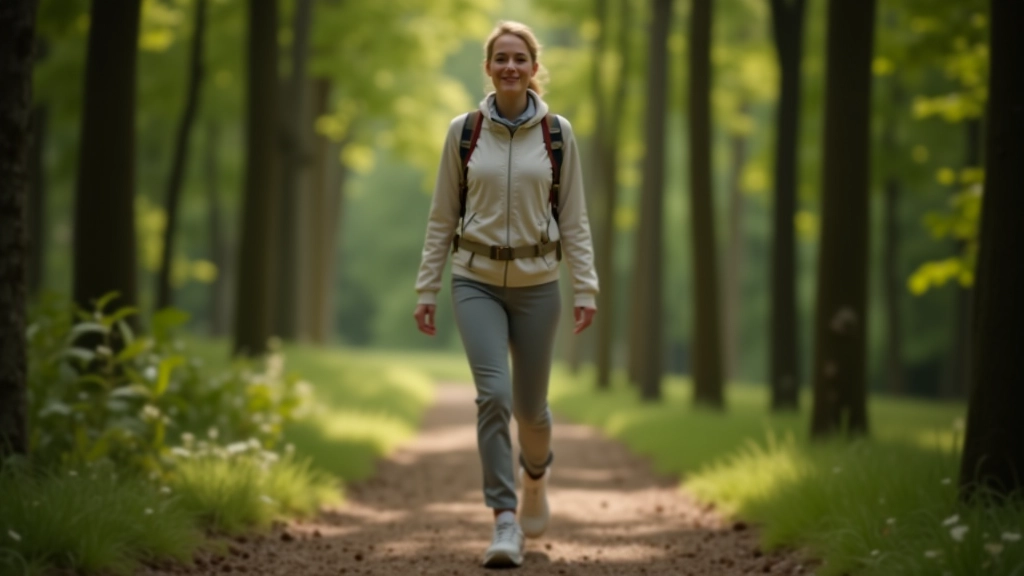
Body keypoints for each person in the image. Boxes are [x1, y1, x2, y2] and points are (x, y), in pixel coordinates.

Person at [412, 20, 599, 569]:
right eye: (501, 58)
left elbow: (576, 220)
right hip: (475, 280)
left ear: (534, 68)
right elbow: (441, 216)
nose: (511, 67)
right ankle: (505, 520)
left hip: (540, 286)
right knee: (492, 396)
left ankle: (535, 476)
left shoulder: (558, 135)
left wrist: (585, 286)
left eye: (521, 58)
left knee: (531, 411)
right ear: (489, 67)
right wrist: (427, 287)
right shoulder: (464, 132)